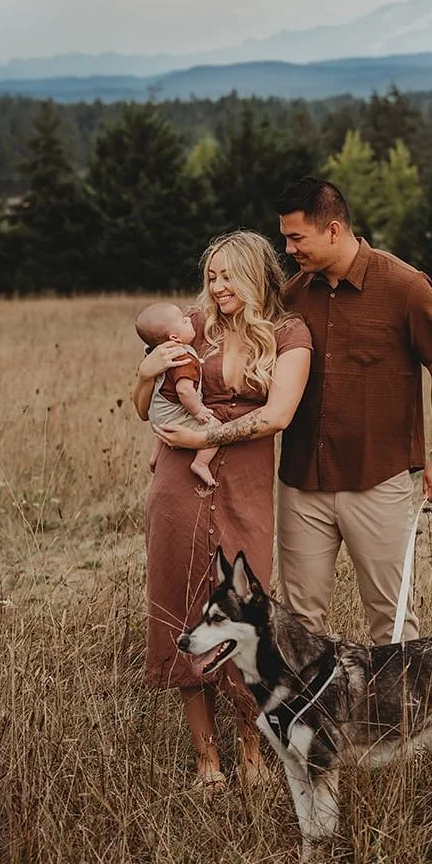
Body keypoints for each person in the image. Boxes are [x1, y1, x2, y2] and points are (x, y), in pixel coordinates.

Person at [134, 231, 311, 791]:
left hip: (246, 488)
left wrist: (202, 439)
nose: (217, 287)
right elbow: (146, 409)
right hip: (178, 486)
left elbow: (278, 415)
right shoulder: (189, 327)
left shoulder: (289, 333)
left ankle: (252, 751)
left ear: (258, 276)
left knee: (245, 614)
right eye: (211, 276)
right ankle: (207, 760)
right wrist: (143, 375)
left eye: (229, 275)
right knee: (182, 608)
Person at [274, 176, 432, 644]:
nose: (289, 249)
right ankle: (312, 717)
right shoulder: (292, 297)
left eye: (297, 237)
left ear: (333, 230)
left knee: (391, 619)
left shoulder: (405, 287)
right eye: (285, 238)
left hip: (378, 480)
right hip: (301, 482)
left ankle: (397, 717)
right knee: (299, 625)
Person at [134, 300, 218, 488]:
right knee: (216, 427)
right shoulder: (183, 359)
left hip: (159, 416)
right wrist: (197, 411)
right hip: (173, 415)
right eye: (183, 320)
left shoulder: (159, 353)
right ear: (175, 337)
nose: (189, 319)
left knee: (164, 427)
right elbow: (184, 390)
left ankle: (155, 458)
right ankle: (201, 463)